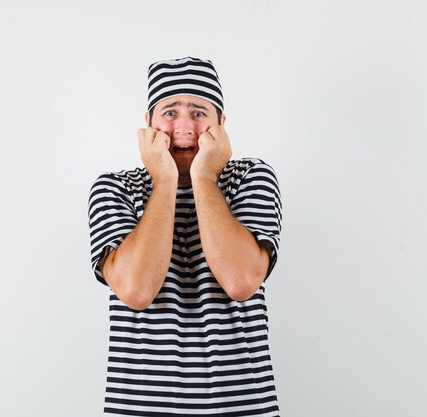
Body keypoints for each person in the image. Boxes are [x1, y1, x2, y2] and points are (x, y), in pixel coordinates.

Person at [88, 57, 283, 416]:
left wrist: (204, 177)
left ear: (221, 124)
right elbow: (136, 290)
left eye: (198, 113)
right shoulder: (115, 188)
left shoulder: (250, 177)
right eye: (169, 112)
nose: (183, 126)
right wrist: (164, 181)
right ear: (148, 123)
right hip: (141, 407)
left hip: (242, 407)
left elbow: (241, 282)